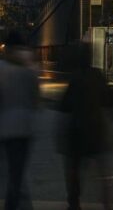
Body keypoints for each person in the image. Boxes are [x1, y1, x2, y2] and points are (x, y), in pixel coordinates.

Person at [59, 43, 113, 210]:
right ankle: (107, 204)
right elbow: (109, 98)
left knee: (74, 170)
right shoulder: (97, 75)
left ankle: (74, 203)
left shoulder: (75, 78)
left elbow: (65, 105)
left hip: (77, 131)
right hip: (96, 130)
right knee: (103, 171)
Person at [0, 31, 39, 210]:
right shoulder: (30, 67)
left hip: (6, 126)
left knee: (12, 172)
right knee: (17, 171)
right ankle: (17, 202)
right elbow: (35, 99)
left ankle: (13, 203)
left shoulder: (2, 67)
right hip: (25, 126)